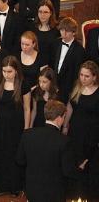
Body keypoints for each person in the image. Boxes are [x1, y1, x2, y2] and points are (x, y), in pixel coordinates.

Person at [16, 100, 83, 202]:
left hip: (32, 191)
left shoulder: (27, 135)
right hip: (55, 194)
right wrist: (80, 169)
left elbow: (19, 161)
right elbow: (68, 171)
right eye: (64, 117)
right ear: (60, 117)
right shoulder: (64, 141)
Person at [0, 55, 31, 196]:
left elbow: (27, 108)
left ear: (16, 71)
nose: (6, 75)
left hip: (17, 126)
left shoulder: (23, 85)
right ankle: (0, 186)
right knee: (0, 154)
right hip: (0, 124)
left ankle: (15, 186)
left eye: (9, 72)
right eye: (4, 71)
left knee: (15, 155)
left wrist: (26, 129)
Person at [63, 60, 99, 200]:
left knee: (88, 164)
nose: (83, 79)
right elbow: (70, 106)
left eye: (87, 76)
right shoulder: (77, 86)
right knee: (74, 162)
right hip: (75, 131)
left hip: (92, 134)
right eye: (81, 75)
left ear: (94, 77)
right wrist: (65, 125)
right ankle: (73, 194)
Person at [49, 17, 86, 104]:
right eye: (62, 30)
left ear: (74, 32)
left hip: (68, 88)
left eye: (67, 31)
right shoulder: (55, 44)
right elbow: (51, 64)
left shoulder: (79, 50)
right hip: (54, 85)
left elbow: (77, 72)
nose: (64, 33)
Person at [29, 0, 60, 64]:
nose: (42, 15)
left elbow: (57, 51)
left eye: (45, 12)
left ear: (51, 13)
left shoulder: (57, 30)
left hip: (51, 63)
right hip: (34, 62)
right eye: (40, 12)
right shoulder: (32, 28)